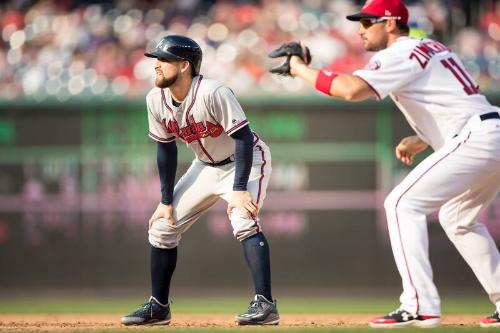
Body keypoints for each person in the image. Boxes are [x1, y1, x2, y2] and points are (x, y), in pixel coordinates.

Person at [269, 0, 500, 328]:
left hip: (476, 136)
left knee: (401, 203)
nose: (360, 29)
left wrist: (298, 69)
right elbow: (451, 100)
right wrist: (420, 139)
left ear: (390, 23)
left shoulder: (398, 53)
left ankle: (419, 304)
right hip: (489, 131)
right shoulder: (429, 46)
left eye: (367, 22)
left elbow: (350, 90)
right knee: (457, 218)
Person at [121, 35, 279, 326]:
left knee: (243, 218)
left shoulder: (213, 92)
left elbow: (243, 138)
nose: (156, 65)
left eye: (163, 59)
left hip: (246, 159)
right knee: (161, 227)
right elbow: (165, 148)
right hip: (204, 166)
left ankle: (265, 305)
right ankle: (159, 307)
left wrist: (240, 190)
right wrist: (165, 200)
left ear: (184, 65)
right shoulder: (154, 99)